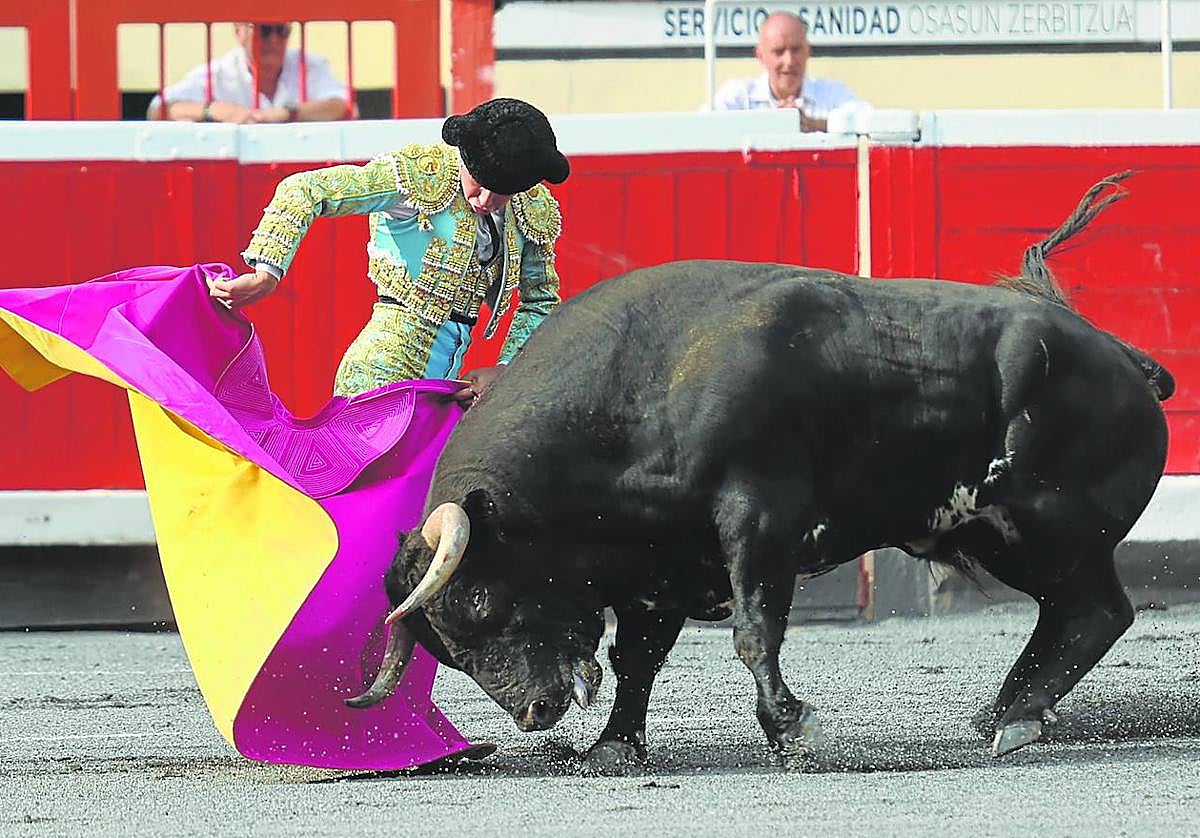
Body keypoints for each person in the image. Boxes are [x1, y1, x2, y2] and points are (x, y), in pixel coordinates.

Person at [209, 97, 570, 405]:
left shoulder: (530, 207)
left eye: (503, 193)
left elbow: (540, 302)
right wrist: (266, 273)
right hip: (381, 374)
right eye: (479, 184)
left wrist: (506, 370)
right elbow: (306, 189)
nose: (486, 201)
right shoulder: (419, 175)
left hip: (449, 388)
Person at [148, 21, 351, 123]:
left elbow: (341, 105)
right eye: (264, 31)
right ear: (239, 31)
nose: (274, 40)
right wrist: (212, 110)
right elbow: (159, 108)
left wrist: (286, 113)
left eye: (282, 31)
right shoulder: (220, 73)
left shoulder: (310, 65)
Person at [710, 12, 869, 132]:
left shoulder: (832, 93)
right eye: (779, 51)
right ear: (761, 56)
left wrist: (815, 125)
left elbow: (871, 122)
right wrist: (769, 126)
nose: (790, 61)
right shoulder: (738, 95)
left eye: (796, 50)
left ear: (808, 51)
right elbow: (706, 127)